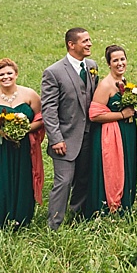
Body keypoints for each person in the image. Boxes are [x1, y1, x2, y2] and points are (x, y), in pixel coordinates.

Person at [0, 58, 45, 229]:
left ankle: (21, 219)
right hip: (0, 150)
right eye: (1, 74)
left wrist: (23, 129)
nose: (6, 77)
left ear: (16, 74)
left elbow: (41, 119)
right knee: (0, 182)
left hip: (25, 149)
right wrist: (1, 132)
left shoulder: (30, 95)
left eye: (9, 73)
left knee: (24, 180)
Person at [41, 27, 98, 230]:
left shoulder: (92, 66)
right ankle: (54, 223)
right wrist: (55, 138)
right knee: (64, 181)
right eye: (85, 41)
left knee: (84, 179)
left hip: (89, 136)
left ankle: (78, 215)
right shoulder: (54, 72)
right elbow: (49, 109)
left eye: (90, 40)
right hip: (65, 137)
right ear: (71, 45)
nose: (90, 44)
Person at [85, 45, 137, 217]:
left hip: (127, 132)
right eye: (115, 60)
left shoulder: (124, 82)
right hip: (110, 134)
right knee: (110, 169)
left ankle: (124, 204)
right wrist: (122, 114)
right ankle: (106, 207)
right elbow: (94, 115)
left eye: (122, 59)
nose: (120, 63)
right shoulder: (105, 85)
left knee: (127, 164)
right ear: (109, 63)